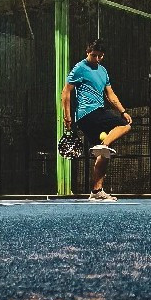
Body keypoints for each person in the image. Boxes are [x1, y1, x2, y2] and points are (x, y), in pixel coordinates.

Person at [61, 38, 132, 201]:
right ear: (87, 52)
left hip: (93, 116)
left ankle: (96, 191)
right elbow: (66, 92)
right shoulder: (80, 68)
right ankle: (104, 144)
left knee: (104, 155)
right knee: (125, 126)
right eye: (94, 55)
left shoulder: (103, 71)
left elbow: (110, 95)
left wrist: (123, 111)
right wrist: (67, 116)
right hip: (88, 113)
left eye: (100, 56)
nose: (97, 58)